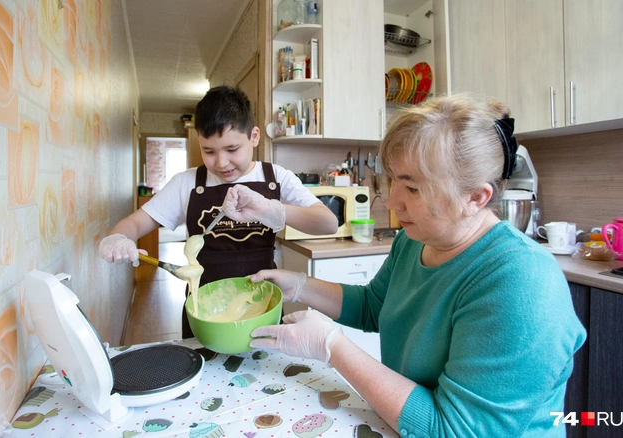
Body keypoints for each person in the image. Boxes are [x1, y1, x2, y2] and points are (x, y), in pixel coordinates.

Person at [248, 93, 587, 437]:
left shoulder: (520, 281)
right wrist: (300, 286)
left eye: (412, 187)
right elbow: (374, 306)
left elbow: (453, 430)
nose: (393, 201)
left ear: (475, 198)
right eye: (393, 178)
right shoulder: (414, 241)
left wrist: (331, 346)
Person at [99, 85, 338, 338]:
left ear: (254, 137)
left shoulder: (275, 178)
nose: (221, 163)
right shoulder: (187, 182)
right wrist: (117, 238)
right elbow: (135, 224)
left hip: (262, 307)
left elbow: (328, 223)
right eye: (208, 151)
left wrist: (272, 209)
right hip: (204, 312)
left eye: (232, 149)